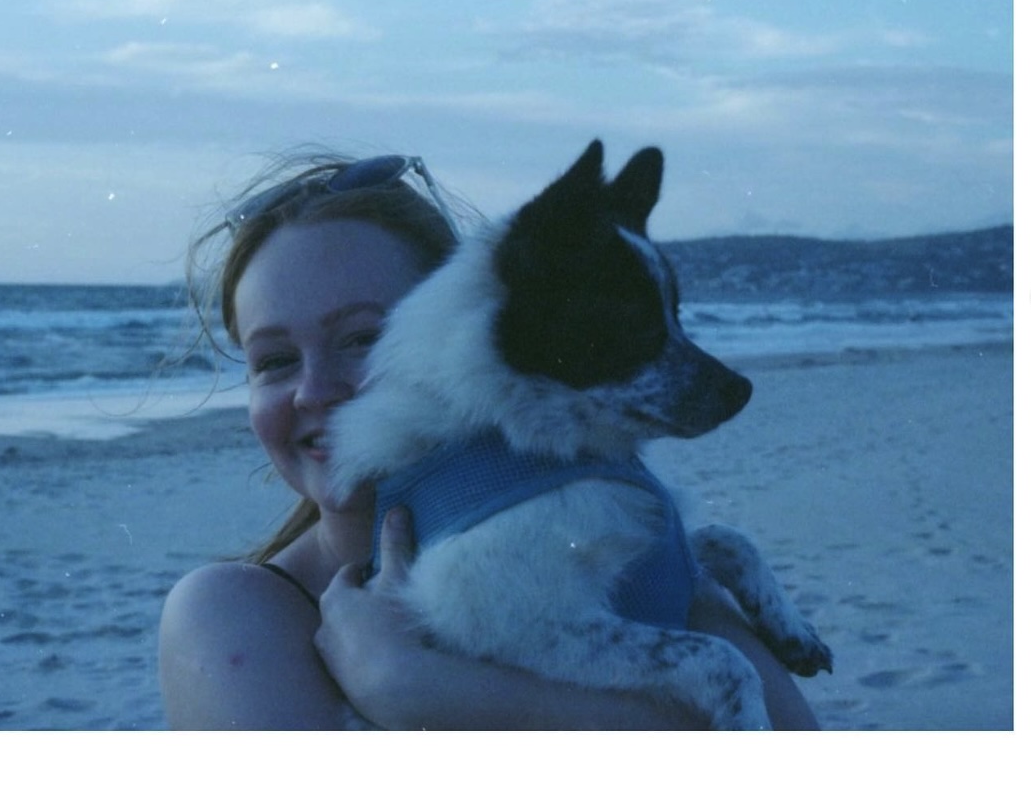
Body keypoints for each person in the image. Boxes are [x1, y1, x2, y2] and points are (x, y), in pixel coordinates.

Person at [157, 149, 821, 730]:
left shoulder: (632, 534)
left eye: (363, 338)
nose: (313, 392)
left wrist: (422, 686)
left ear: (448, 317)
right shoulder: (230, 616)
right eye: (273, 360)